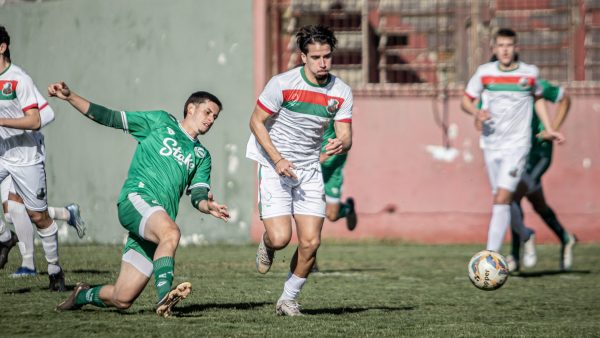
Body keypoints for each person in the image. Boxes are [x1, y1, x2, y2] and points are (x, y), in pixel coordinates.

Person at [50, 82, 229, 317]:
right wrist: (70, 96)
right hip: (136, 199)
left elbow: (197, 195)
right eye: (208, 112)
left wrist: (208, 206)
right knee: (172, 233)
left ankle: (82, 294)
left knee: (122, 298)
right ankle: (165, 297)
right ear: (191, 109)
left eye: (215, 117)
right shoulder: (160, 122)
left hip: (155, 221)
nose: (211, 120)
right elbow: (110, 117)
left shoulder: (202, 155)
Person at [246, 25, 353, 316]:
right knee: (281, 238)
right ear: (302, 56)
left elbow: (346, 135)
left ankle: (287, 299)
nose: (323, 63)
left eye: (327, 56)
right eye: (316, 57)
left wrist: (340, 143)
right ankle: (268, 243)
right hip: (274, 165)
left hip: (308, 168)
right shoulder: (282, 84)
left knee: (311, 242)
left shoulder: (341, 91)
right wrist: (278, 159)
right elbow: (256, 122)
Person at [461, 28, 565, 254]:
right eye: (501, 46)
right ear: (494, 48)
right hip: (490, 145)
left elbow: (538, 99)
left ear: (516, 48)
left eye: (509, 45)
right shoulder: (484, 73)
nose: (505, 50)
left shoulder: (529, 74)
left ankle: (490, 257)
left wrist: (549, 128)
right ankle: (525, 234)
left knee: (502, 198)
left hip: (517, 146)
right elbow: (466, 100)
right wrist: (476, 113)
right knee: (502, 200)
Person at [0, 25, 66, 290]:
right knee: (12, 210)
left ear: (2, 47)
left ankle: (55, 270)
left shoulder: (18, 79)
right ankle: (5, 237)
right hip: (2, 153)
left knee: (38, 217)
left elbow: (38, 118)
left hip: (26, 158)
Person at [507, 78, 577, 271]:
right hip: (515, 152)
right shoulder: (494, 84)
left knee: (513, 194)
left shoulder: (529, 80)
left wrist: (551, 129)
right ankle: (566, 238)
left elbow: (565, 99)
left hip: (539, 152)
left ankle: (515, 253)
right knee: (537, 203)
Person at [1, 175, 87, 277]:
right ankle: (66, 213)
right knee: (11, 215)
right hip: (5, 161)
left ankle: (28, 265)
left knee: (15, 209)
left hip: (16, 160)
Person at [320, 120, 357, 231]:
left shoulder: (334, 108)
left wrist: (324, 156)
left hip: (331, 169)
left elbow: (347, 137)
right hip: (309, 167)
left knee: (332, 215)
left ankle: (348, 208)